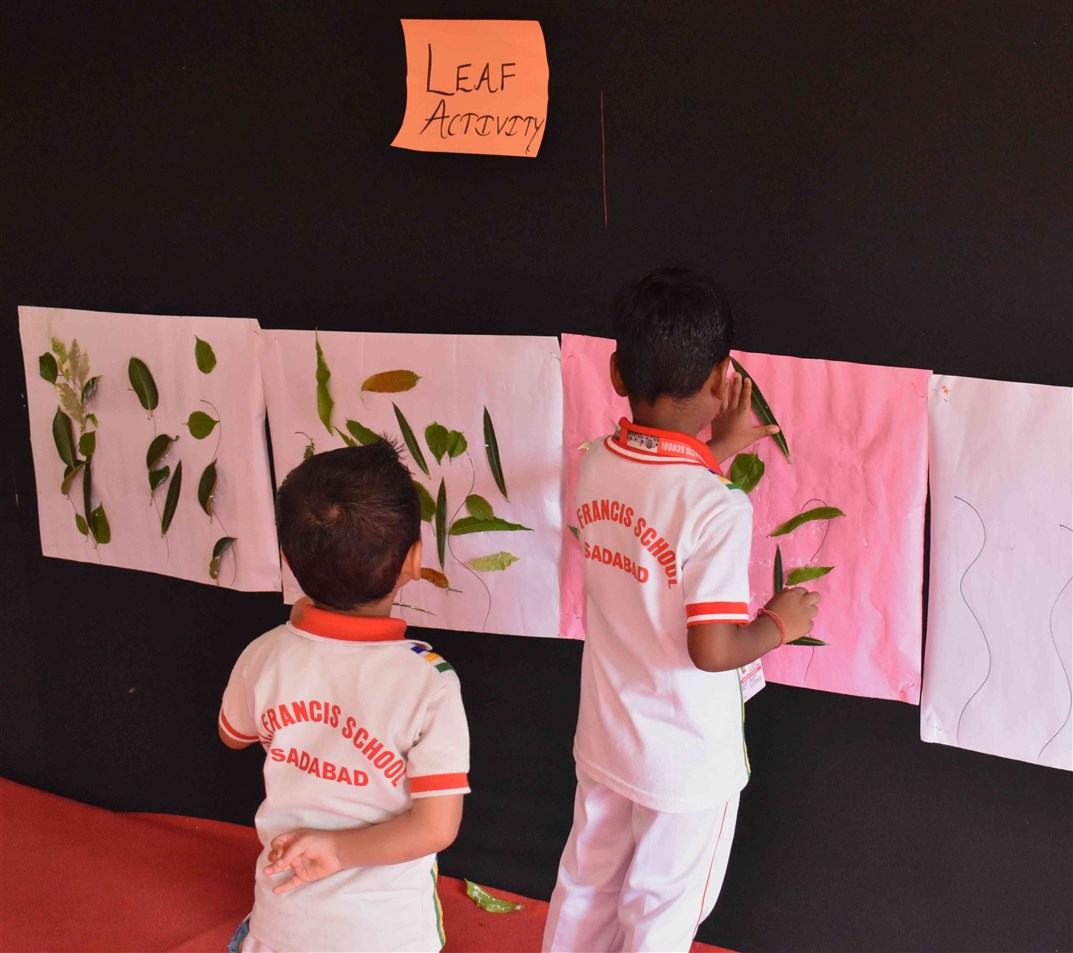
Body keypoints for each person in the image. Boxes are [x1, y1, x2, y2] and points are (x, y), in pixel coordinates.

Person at [543, 268, 820, 952]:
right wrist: (780, 623)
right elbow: (712, 648)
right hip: (685, 766)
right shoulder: (718, 508)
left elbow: (656, 502)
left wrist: (717, 449)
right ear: (723, 379)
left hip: (606, 737)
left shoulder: (596, 464)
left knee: (586, 887)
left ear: (616, 372)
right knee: (661, 915)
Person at [219, 442, 470, 953]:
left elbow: (232, 736)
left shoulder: (264, 654)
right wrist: (337, 850)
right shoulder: (430, 682)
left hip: (279, 927)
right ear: (414, 560)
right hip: (391, 936)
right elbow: (437, 827)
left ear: (288, 560)